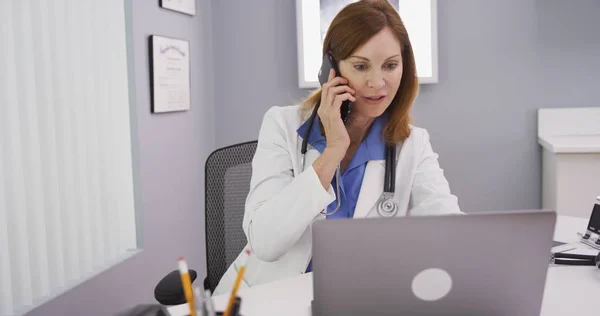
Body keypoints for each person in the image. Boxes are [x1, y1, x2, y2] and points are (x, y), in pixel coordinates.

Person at [213, 0, 461, 295]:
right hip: (272, 297)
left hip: (359, 298)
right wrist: (332, 152)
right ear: (330, 69)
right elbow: (266, 243)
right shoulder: (281, 124)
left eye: (391, 65)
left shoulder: (413, 144)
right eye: (360, 66)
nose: (377, 82)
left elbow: (448, 233)